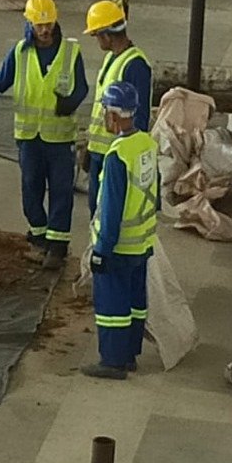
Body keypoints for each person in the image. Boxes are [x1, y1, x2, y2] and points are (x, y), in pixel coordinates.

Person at [0, 0, 89, 270]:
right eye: (39, 25)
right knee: (31, 188)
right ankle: (39, 237)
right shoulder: (19, 53)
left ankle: (57, 247)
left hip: (59, 138)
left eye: (49, 24)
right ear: (29, 23)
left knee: (61, 191)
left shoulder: (70, 52)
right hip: (30, 138)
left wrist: (71, 102)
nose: (45, 31)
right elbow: (0, 81)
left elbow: (82, 88)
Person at [85, 81, 159, 380]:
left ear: (113, 116)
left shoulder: (117, 155)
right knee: (134, 301)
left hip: (118, 247)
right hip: (142, 242)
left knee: (112, 305)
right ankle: (129, 354)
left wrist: (102, 249)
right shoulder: (147, 144)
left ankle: (112, 361)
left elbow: (112, 208)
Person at [83, 0, 151, 217]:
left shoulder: (135, 66)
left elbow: (138, 117)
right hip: (100, 152)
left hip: (116, 155)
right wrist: (90, 146)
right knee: (97, 211)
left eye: (95, 35)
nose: (96, 41)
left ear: (105, 34)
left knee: (109, 213)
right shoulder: (113, 59)